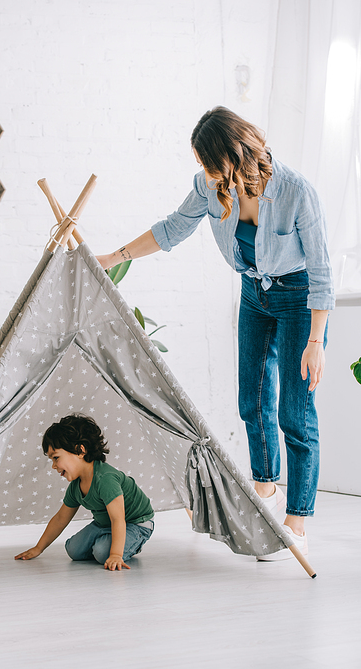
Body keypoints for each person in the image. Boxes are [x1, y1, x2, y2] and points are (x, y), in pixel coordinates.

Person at [96, 106, 335, 561]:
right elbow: (171, 230)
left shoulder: (296, 191)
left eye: (209, 163)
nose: (204, 173)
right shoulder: (209, 187)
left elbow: (322, 271)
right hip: (254, 295)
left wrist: (316, 341)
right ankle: (264, 495)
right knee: (253, 400)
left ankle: (297, 521)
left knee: (296, 414)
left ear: (235, 154)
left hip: (300, 298)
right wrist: (113, 257)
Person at [15, 414, 155, 570]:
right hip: (105, 523)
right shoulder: (76, 486)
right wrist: (38, 548)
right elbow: (61, 519)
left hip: (135, 523)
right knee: (73, 550)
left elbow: (118, 519)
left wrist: (115, 554)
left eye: (56, 458)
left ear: (80, 450)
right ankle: (107, 540)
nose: (54, 466)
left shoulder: (105, 479)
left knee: (102, 553)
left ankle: (133, 543)